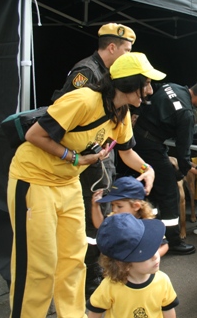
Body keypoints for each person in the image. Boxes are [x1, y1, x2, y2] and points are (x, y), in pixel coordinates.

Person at [7, 52, 164, 317]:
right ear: (128, 82)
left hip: (67, 183)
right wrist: (77, 158)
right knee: (38, 266)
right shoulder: (82, 99)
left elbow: (126, 151)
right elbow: (35, 135)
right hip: (33, 180)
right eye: (146, 83)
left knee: (73, 260)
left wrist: (147, 169)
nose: (149, 90)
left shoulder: (121, 113)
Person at [50, 23, 137, 296]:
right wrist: (80, 156)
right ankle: (88, 275)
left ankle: (95, 269)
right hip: (87, 159)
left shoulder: (108, 73)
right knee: (92, 215)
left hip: (100, 156)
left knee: (100, 212)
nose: (130, 55)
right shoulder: (87, 73)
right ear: (112, 47)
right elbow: (66, 119)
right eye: (127, 49)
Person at [130, 77, 197, 255]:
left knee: (152, 192)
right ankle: (173, 241)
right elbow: (183, 149)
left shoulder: (171, 86)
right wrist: (186, 170)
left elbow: (148, 94)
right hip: (151, 147)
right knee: (170, 193)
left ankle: (151, 234)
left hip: (137, 141)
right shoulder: (186, 113)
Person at [87, 213, 178, 317]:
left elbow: (168, 310)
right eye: (145, 254)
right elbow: (95, 311)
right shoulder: (110, 286)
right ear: (124, 264)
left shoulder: (163, 281)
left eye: (153, 248)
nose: (155, 256)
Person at [90, 176, 169, 257]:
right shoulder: (114, 218)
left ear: (136, 206)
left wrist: (148, 258)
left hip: (141, 266)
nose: (114, 209)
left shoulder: (148, 223)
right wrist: (95, 206)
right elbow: (100, 225)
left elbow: (164, 245)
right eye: (112, 205)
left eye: (119, 206)